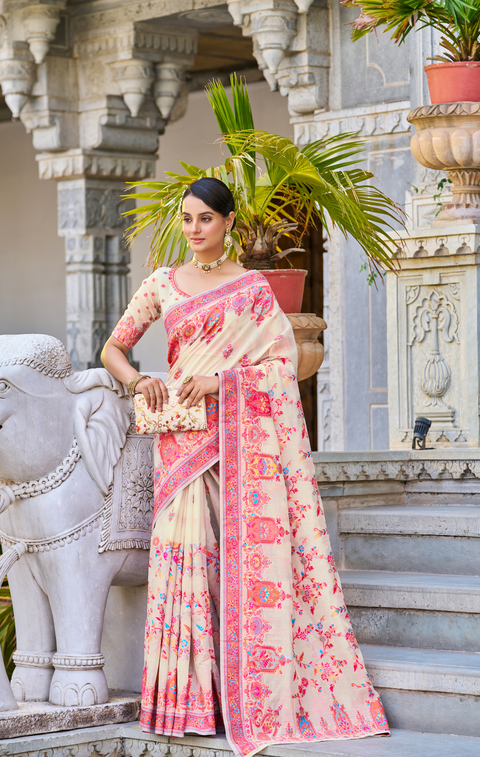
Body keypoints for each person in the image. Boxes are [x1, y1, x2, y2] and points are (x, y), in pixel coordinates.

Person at [101, 177, 389, 757]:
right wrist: (140, 380)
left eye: (205, 219)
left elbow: (283, 369)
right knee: (186, 564)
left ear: (229, 222)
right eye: (186, 219)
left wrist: (222, 382)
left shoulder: (254, 291)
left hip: (238, 444)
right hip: (181, 443)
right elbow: (114, 347)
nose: (193, 230)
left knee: (235, 570)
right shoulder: (162, 282)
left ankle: (242, 694)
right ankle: (188, 701)